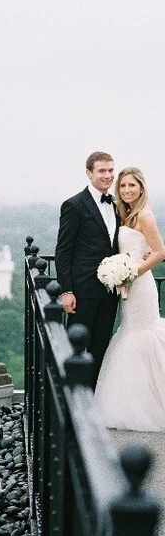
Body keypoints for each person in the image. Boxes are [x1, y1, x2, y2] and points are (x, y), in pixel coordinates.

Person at [94, 167, 165, 431]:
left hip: (140, 286)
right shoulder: (124, 213)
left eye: (131, 186)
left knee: (142, 337)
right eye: (122, 186)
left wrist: (131, 274)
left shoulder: (145, 215)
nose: (126, 191)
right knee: (129, 333)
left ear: (141, 188)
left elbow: (159, 252)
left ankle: (151, 404)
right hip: (127, 288)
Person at [55, 151, 120, 388]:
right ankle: (71, 400)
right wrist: (67, 291)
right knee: (77, 348)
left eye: (111, 170)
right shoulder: (74, 205)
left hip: (110, 292)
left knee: (101, 344)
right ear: (89, 173)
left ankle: (91, 397)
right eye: (102, 171)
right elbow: (63, 251)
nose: (108, 175)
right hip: (82, 292)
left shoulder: (115, 203)